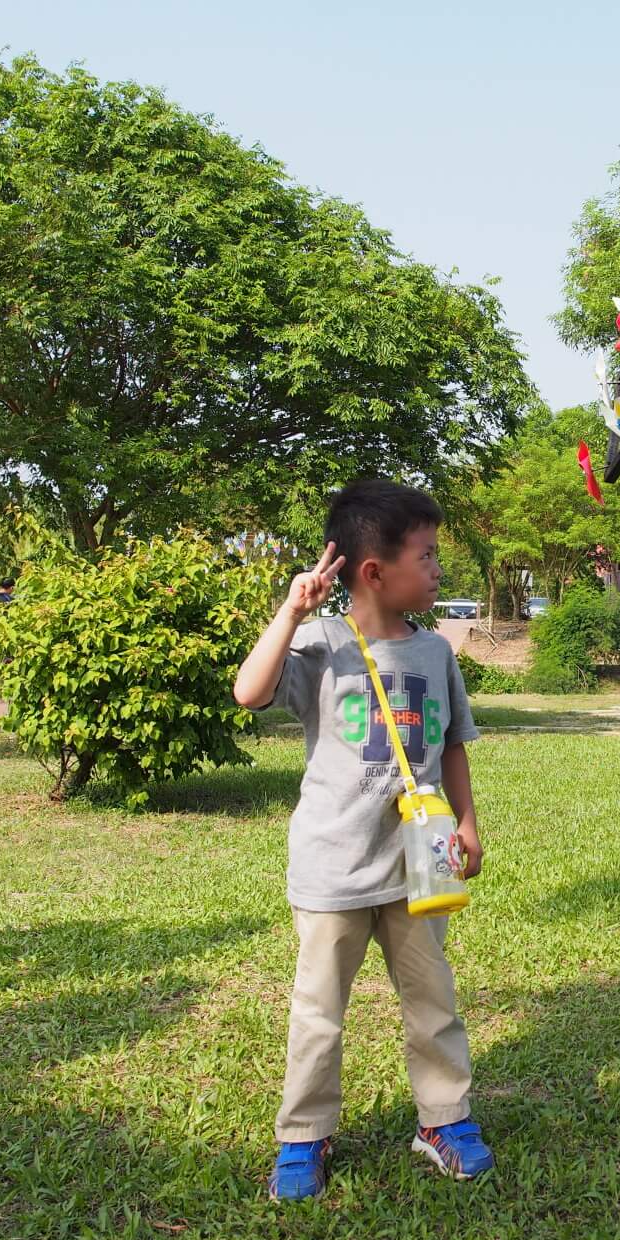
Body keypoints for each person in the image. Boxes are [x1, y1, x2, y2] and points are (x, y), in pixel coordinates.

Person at [233, 480, 490, 1197]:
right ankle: (303, 1135)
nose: (437, 568)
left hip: (420, 866)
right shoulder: (319, 643)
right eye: (426, 555)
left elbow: (454, 742)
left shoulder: (435, 652)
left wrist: (469, 822)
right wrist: (290, 611)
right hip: (334, 866)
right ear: (375, 571)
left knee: (433, 1000)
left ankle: (443, 1119)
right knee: (318, 1012)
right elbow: (249, 693)